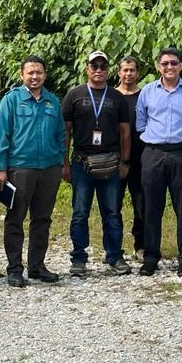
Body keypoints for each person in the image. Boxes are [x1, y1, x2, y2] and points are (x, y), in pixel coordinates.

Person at [0, 56, 66, 288]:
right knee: (15, 219)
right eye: (30, 73)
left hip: (49, 170)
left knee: (42, 219)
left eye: (39, 72)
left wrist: (59, 162)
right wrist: (1, 169)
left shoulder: (53, 101)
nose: (35, 77)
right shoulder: (12, 100)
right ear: (22, 74)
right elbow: (1, 136)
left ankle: (37, 266)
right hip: (20, 169)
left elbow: (61, 135)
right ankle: (15, 269)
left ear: (45, 74)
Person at [62, 51, 132, 277]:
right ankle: (79, 259)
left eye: (103, 66)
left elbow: (125, 132)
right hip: (81, 162)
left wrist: (125, 162)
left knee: (112, 212)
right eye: (94, 66)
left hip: (110, 162)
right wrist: (64, 164)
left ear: (109, 70)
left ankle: (114, 256)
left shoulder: (116, 97)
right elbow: (66, 132)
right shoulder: (74, 95)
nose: (99, 70)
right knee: (80, 212)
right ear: (87, 69)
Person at [137, 47, 182, 277]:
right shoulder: (147, 91)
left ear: (181, 66)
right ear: (158, 66)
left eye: (174, 63)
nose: (169, 67)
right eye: (165, 63)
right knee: (151, 208)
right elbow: (141, 122)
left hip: (181, 154)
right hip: (153, 154)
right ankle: (150, 257)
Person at [116, 55, 145, 260]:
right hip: (114, 159)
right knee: (113, 205)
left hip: (142, 158)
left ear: (138, 73)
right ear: (118, 72)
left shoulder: (145, 95)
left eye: (132, 70)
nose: (128, 74)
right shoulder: (110, 96)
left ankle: (141, 246)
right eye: (125, 70)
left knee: (142, 205)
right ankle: (113, 248)